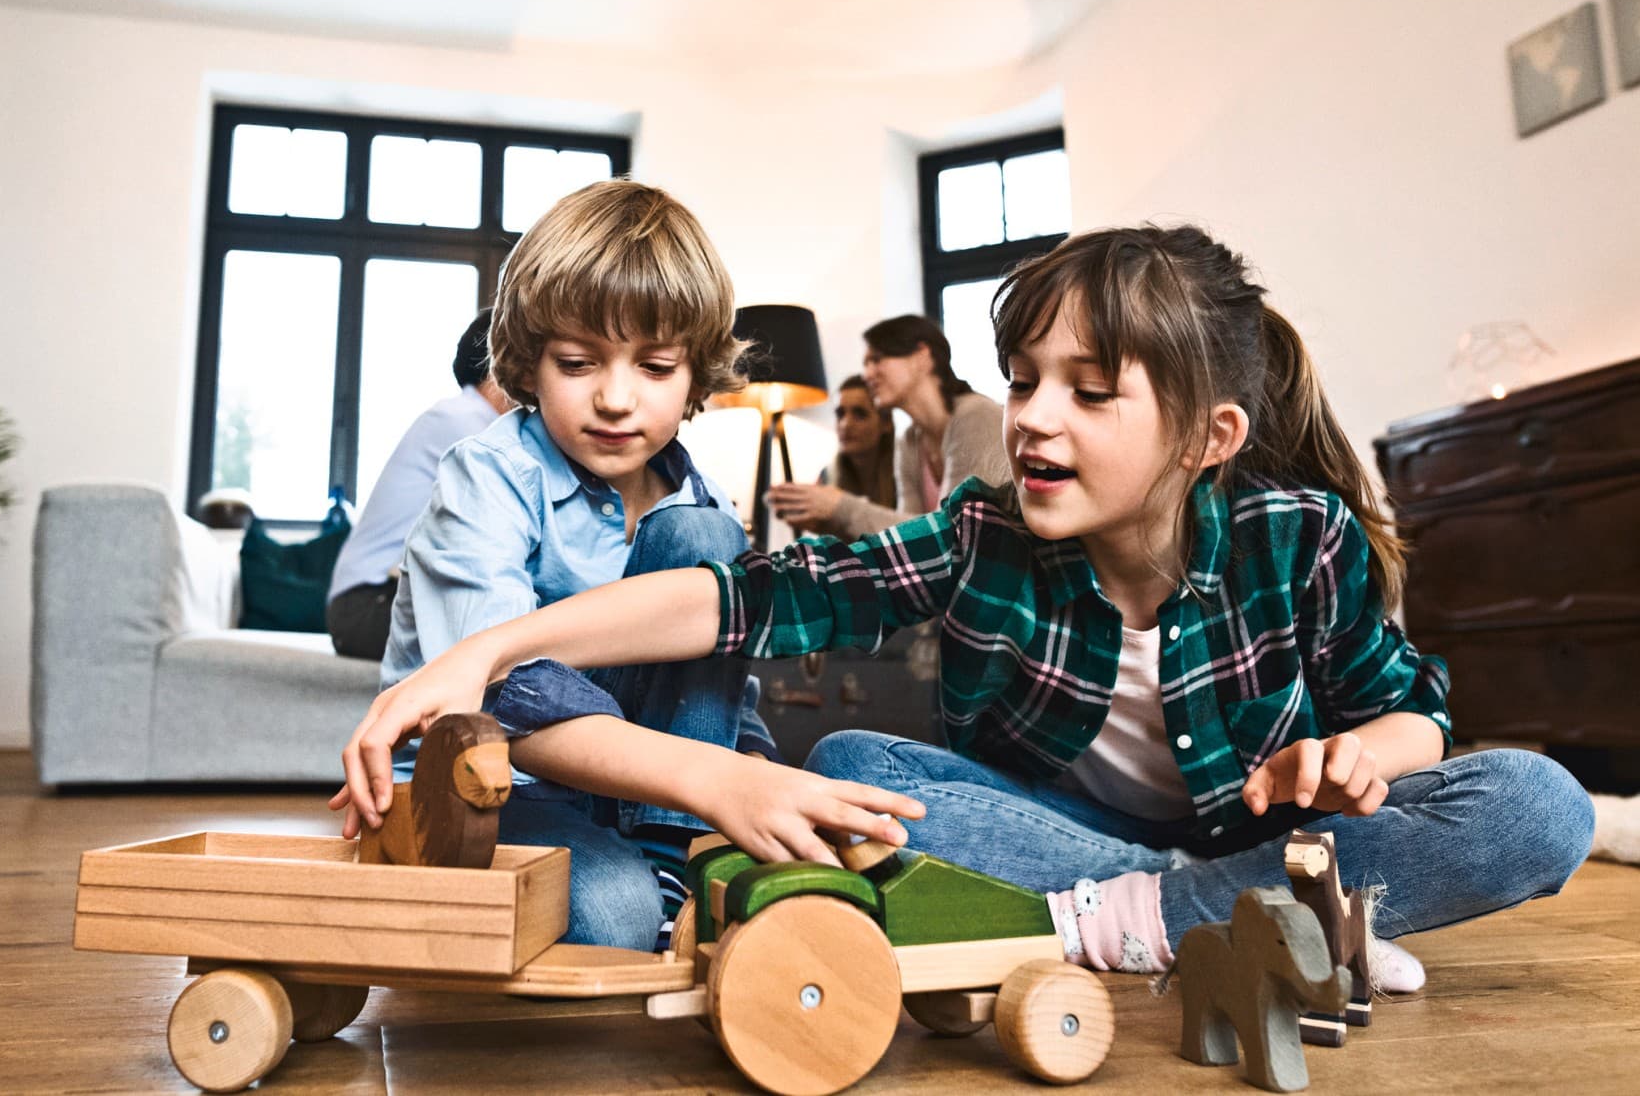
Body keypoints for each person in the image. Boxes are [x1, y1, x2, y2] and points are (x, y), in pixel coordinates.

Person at [337, 223, 1592, 984]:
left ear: (1208, 438)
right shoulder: (981, 533)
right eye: (1026, 381)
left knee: (1539, 802)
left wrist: (1355, 760)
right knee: (854, 761)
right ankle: (1250, 919)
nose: (1036, 420)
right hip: (1077, 850)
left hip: (1240, 838)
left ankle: (1187, 916)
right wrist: (495, 646)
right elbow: (741, 599)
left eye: (1089, 394)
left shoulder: (1294, 535)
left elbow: (1409, 709)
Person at [342, 179, 916, 951]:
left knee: (705, 543)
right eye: (579, 362)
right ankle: (666, 884)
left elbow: (719, 695)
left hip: (640, 796)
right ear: (529, 362)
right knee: (617, 915)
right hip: (488, 785)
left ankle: (674, 859)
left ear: (695, 376)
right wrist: (716, 783)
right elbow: (496, 703)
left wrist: (753, 780)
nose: (616, 399)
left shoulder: (697, 496)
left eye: (655, 368)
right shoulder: (483, 475)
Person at [325, 309, 515, 661]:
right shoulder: (465, 422)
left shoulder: (465, 418)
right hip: (366, 604)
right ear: (498, 367)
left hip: (375, 599)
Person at [767, 315, 1002, 538]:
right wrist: (831, 522)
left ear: (922, 356)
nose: (868, 374)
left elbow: (952, 534)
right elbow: (909, 534)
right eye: (866, 364)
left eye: (877, 359)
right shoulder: (910, 441)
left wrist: (841, 507)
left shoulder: (976, 415)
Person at [779, 375, 895, 537]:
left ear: (886, 423)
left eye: (860, 414)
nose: (845, 424)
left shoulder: (903, 475)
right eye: (840, 414)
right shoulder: (827, 476)